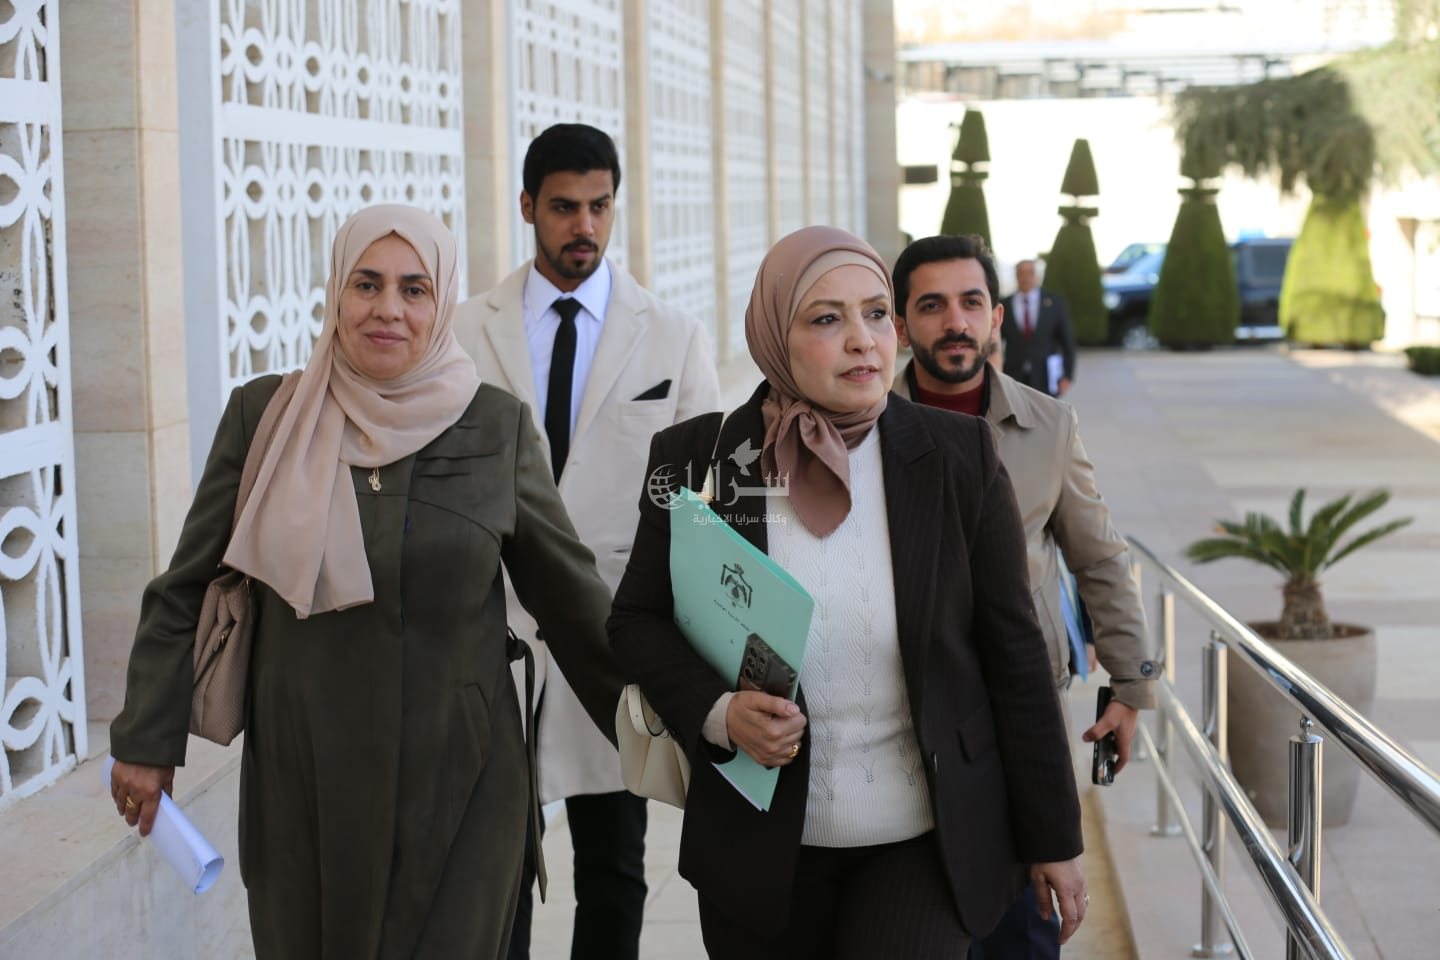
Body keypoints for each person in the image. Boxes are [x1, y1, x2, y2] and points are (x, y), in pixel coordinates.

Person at [107, 204, 625, 959]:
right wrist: (145, 740)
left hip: (462, 778)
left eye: (414, 289)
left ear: (441, 303)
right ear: (336, 293)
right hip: (303, 779)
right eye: (366, 284)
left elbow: (574, 603)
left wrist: (689, 721)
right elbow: (185, 586)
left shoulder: (495, 427)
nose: (388, 309)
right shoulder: (267, 418)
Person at [608, 225, 1087, 958]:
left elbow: (1014, 653)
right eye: (827, 318)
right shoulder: (700, 459)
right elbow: (636, 621)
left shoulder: (958, 457)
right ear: (776, 336)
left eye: (876, 313)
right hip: (758, 846)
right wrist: (718, 713)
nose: (863, 340)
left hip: (922, 841)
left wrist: (1054, 835)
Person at [454, 122, 720, 960]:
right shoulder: (463, 333)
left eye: (600, 206)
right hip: (492, 638)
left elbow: (704, 509)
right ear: (527, 206)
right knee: (496, 865)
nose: (585, 226)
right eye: (565, 207)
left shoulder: (672, 335)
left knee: (613, 865)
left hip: (615, 637)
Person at [891, 233, 1158, 959]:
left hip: (1021, 708)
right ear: (901, 324)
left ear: (997, 317)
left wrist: (1131, 686)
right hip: (902, 711)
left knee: (1023, 923)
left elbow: (1101, 559)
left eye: (971, 302)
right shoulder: (863, 424)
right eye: (932, 306)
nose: (956, 322)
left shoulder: (1049, 425)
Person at [1000, 259, 1076, 397]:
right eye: (1021, 273)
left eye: (1030, 273)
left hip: (1045, 376)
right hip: (1013, 376)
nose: (1025, 277)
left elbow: (1067, 341)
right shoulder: (1004, 305)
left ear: (1036, 276)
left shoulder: (1054, 303)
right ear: (1016, 276)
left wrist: (1068, 375)